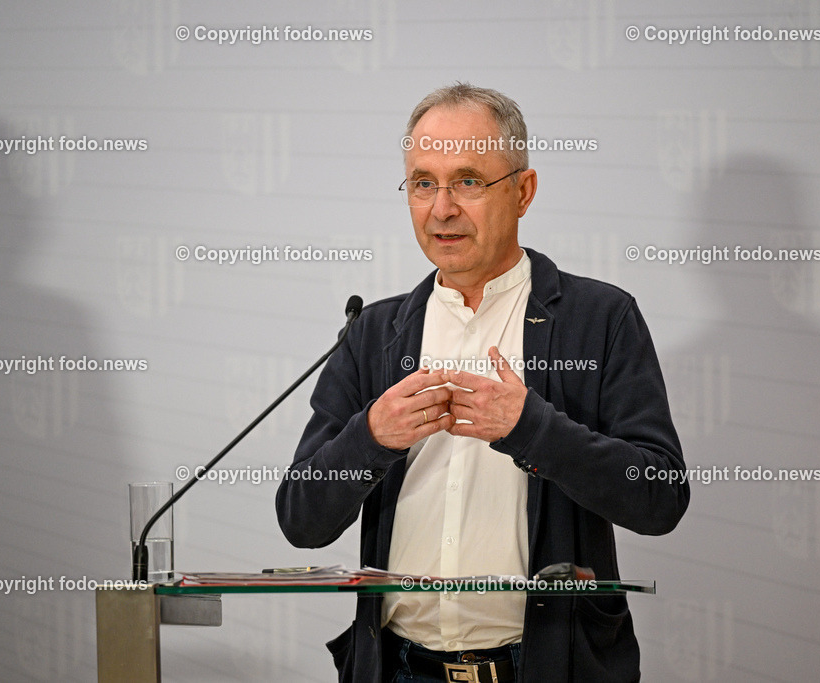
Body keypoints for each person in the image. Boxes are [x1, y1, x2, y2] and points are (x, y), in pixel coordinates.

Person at [276, 83, 689, 683]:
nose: (441, 207)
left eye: (468, 181)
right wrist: (371, 436)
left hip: (546, 667)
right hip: (399, 669)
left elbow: (660, 498)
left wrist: (532, 427)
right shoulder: (374, 333)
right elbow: (301, 520)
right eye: (423, 182)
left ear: (523, 191)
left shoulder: (600, 320)